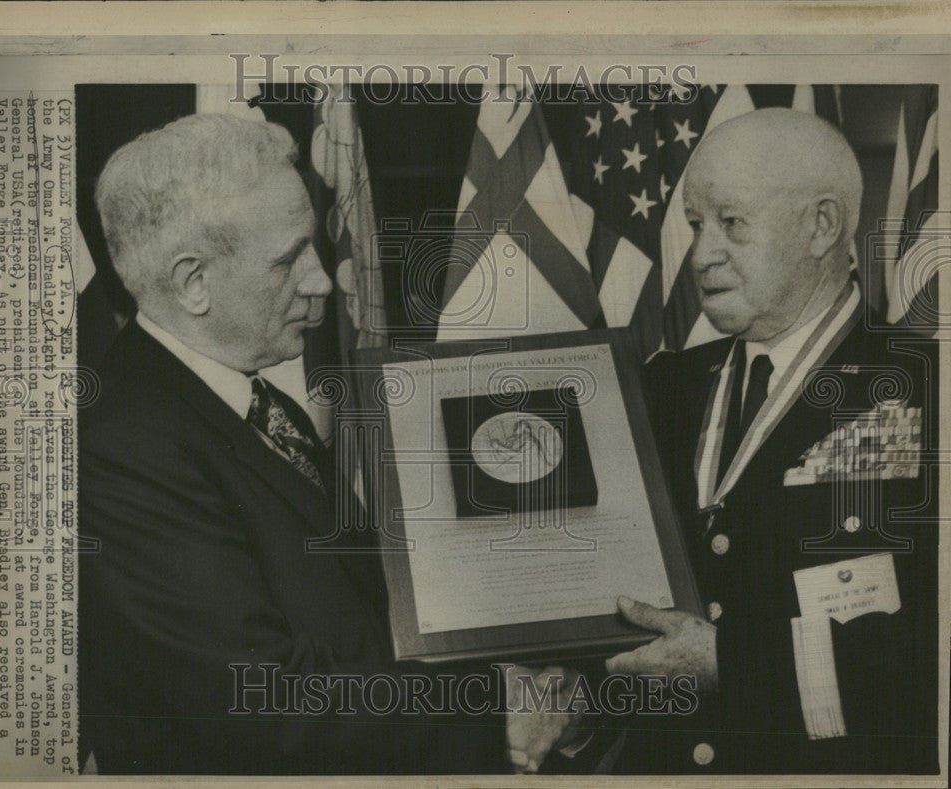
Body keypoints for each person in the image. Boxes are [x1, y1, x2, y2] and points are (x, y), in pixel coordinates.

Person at [77, 113, 581, 775]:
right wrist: (497, 707)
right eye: (288, 259)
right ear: (193, 282)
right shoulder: (123, 447)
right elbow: (260, 704)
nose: (321, 279)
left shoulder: (247, 399)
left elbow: (357, 616)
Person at [606, 108, 938, 774]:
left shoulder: (926, 392)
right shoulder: (661, 389)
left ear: (821, 226)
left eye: (732, 223)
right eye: (697, 225)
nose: (701, 254)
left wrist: (737, 665)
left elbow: (930, 663)